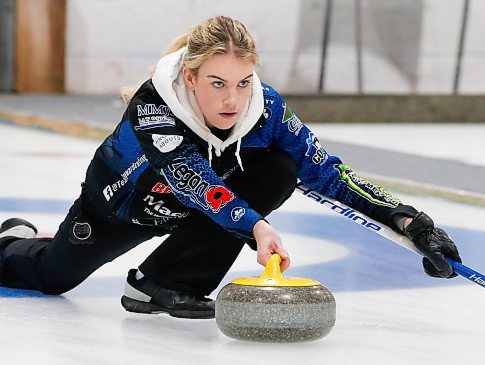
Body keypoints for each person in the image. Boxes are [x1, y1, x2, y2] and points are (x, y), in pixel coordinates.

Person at [0, 16, 461, 319]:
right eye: (217, 83)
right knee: (51, 278)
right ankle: (14, 238)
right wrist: (256, 227)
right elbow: (191, 180)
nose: (232, 100)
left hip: (203, 210)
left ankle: (162, 282)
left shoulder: (267, 109)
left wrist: (407, 220)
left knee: (281, 166)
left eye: (243, 83)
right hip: (119, 210)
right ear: (191, 77)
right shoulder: (153, 108)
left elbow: (327, 172)